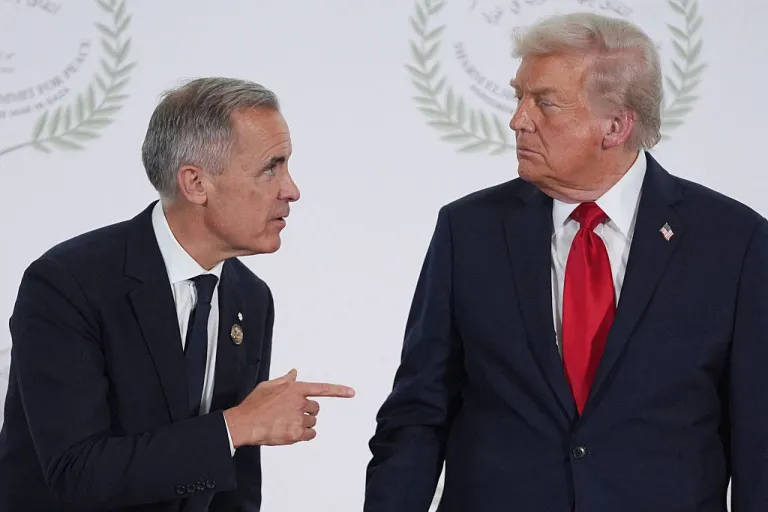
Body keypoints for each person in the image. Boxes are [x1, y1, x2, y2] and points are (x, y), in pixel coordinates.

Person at [364, 12, 768, 512]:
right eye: (519, 97)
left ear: (615, 126)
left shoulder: (733, 241)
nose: (518, 120)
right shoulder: (468, 231)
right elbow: (417, 415)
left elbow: (758, 440)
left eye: (544, 102)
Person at [0, 77, 355, 511]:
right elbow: (76, 472)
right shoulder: (67, 284)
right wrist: (236, 426)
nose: (291, 190)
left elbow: (235, 485)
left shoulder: (251, 297)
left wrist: (238, 431)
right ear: (196, 183)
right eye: (271, 168)